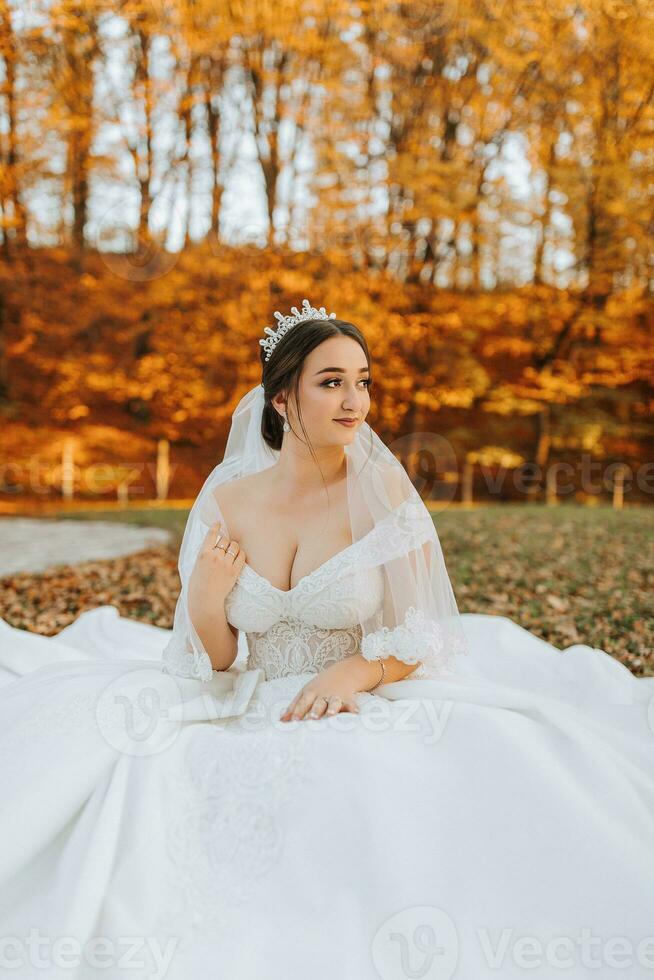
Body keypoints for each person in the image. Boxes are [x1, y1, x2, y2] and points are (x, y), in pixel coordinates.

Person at [0, 299, 653, 980]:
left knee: (376, 787)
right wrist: (203, 596)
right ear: (282, 397)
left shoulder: (382, 489)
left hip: (357, 693)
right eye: (332, 381)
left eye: (363, 381)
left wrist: (356, 673)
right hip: (249, 700)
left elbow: (423, 631)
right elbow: (217, 660)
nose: (354, 401)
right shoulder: (227, 497)